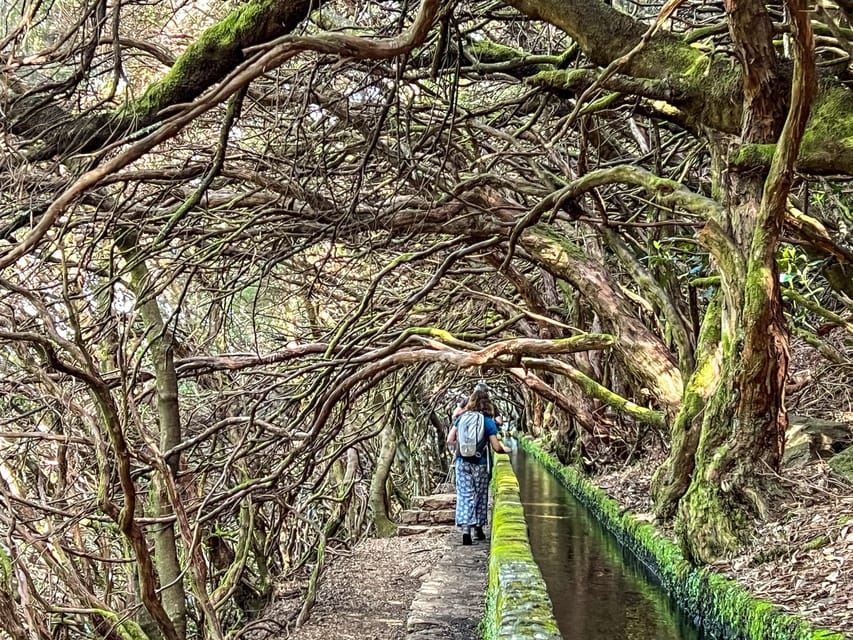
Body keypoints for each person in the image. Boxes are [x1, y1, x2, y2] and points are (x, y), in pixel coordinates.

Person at [446, 387, 511, 545]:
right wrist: (506, 450)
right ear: (487, 403)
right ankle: (478, 529)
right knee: (480, 495)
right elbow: (496, 447)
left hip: (462, 462)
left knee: (465, 495)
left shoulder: (461, 418)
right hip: (480, 463)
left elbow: (449, 439)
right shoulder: (488, 421)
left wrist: (463, 447)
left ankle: (466, 531)